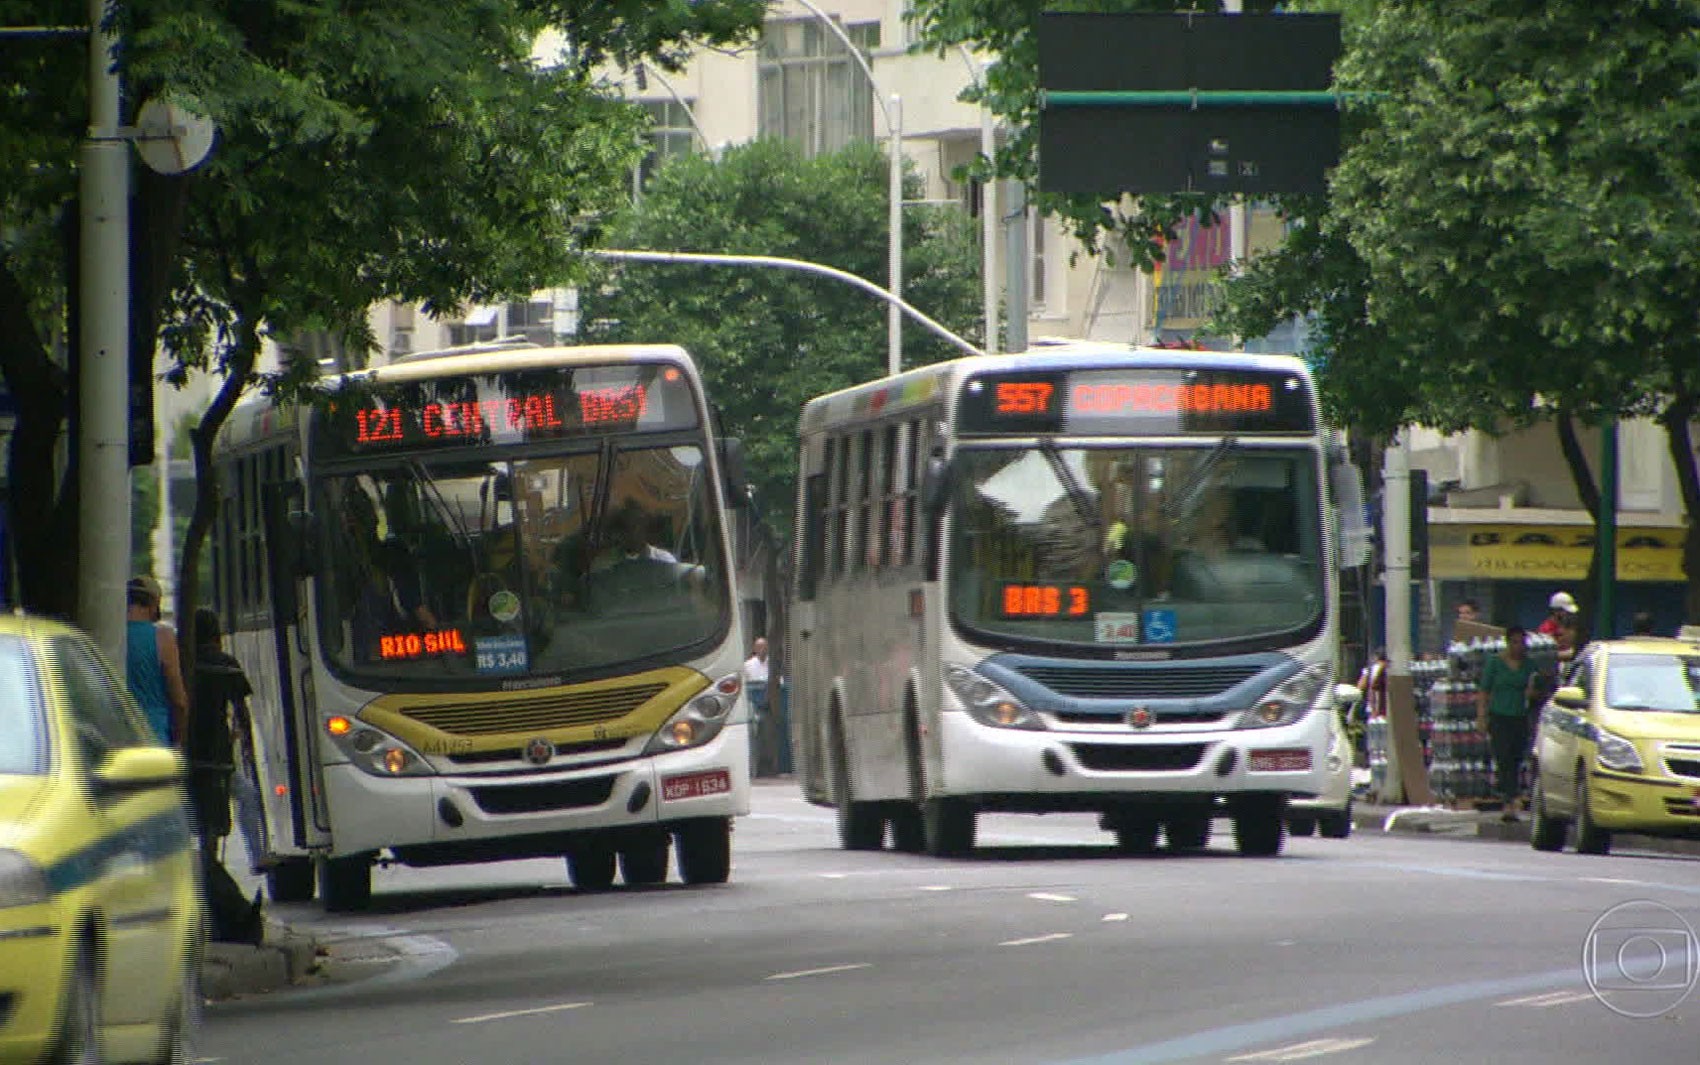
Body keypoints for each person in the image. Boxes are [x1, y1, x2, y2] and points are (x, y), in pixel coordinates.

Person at [189, 607, 264, 945]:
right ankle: (254, 857)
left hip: (191, 758)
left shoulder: (184, 664)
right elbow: (242, 712)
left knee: (202, 826)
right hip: (220, 758)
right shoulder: (226, 665)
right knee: (239, 804)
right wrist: (245, 747)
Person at [1476, 625, 1539, 822]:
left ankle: (1513, 798)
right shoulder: (1495, 663)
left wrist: (1532, 694)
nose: (1518, 647)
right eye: (1514, 642)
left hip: (1519, 717)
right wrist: (1481, 717)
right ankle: (1508, 801)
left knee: (1516, 758)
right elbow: (1484, 691)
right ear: (1507, 643)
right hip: (1499, 716)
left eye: (1522, 643)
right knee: (1503, 758)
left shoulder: (1529, 666)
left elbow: (1536, 691)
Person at [125, 576, 189, 745]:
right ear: (154, 604)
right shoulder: (163, 637)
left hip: (117, 737)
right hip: (154, 737)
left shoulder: (108, 635)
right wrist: (179, 740)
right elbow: (179, 700)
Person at [744, 637, 771, 772]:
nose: (762, 650)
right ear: (755, 649)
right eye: (759, 647)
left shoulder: (772, 664)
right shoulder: (748, 665)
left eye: (764, 647)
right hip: (753, 702)